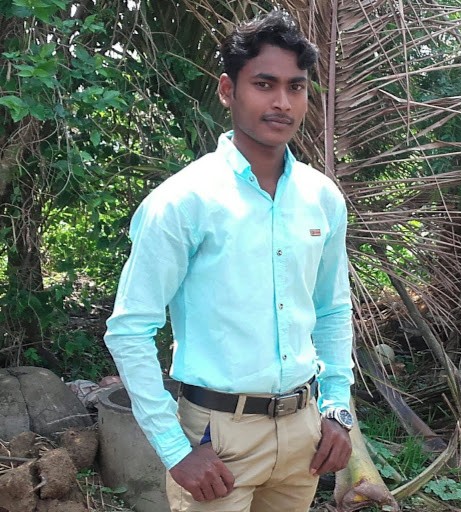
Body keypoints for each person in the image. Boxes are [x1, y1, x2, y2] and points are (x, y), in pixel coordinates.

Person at [104, 10, 354, 512]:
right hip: (216, 439)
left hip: (303, 434)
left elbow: (332, 309)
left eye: (296, 87)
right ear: (227, 90)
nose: (282, 102)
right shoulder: (184, 201)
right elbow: (129, 330)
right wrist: (175, 449)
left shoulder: (321, 198)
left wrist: (336, 408)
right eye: (264, 84)